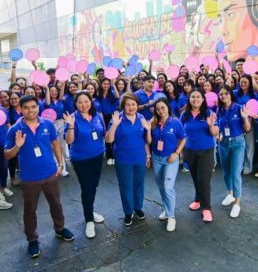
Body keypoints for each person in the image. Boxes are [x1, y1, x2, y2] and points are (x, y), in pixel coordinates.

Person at [4, 95, 74, 258]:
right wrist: (17, 146)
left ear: (38, 107)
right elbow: (7, 155)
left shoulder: (47, 124)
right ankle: (32, 239)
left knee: (56, 204)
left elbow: (55, 143)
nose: (30, 110)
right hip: (29, 178)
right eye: (26, 107)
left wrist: (60, 164)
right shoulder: (15, 129)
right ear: (21, 109)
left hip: (50, 173)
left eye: (33, 106)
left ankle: (60, 229)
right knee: (30, 210)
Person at [63, 92, 107, 239]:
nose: (84, 105)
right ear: (75, 104)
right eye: (80, 102)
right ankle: (89, 220)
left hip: (98, 156)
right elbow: (69, 141)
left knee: (93, 186)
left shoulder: (97, 116)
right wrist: (70, 126)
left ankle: (90, 210)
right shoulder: (73, 118)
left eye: (86, 101)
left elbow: (103, 133)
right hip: (81, 159)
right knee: (87, 188)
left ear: (91, 102)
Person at [105, 92, 152, 226]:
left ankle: (138, 207)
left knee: (139, 184)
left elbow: (146, 141)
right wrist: (114, 125)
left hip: (139, 157)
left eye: (133, 104)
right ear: (123, 106)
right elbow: (109, 140)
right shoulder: (117, 118)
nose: (131, 107)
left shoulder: (141, 117)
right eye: (128, 105)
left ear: (137, 105)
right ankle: (128, 211)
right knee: (126, 186)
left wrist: (148, 131)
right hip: (123, 158)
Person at [181, 89, 219, 222]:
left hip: (206, 151)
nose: (195, 99)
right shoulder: (184, 115)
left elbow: (215, 132)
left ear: (203, 99)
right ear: (189, 99)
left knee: (204, 180)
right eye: (193, 97)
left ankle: (206, 208)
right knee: (195, 178)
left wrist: (210, 126)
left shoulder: (209, 113)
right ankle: (197, 200)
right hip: (190, 151)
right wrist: (181, 153)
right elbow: (181, 135)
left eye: (198, 97)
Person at [150, 98, 186, 232]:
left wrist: (176, 153)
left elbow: (183, 138)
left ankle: (171, 216)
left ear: (168, 107)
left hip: (170, 159)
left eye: (163, 108)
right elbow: (148, 139)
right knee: (160, 185)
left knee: (168, 186)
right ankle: (166, 209)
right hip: (156, 158)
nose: (160, 111)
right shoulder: (153, 122)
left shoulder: (175, 122)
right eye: (158, 109)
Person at [216, 86, 251, 218]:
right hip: (223, 143)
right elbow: (218, 127)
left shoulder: (239, 107)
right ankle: (230, 194)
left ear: (230, 94)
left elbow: (247, 129)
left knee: (236, 173)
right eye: (221, 94)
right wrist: (218, 134)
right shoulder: (219, 110)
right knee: (226, 172)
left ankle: (237, 202)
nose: (224, 96)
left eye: (226, 94)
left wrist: (246, 118)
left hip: (237, 142)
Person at [234, 75, 256, 174]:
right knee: (238, 146)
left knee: (249, 145)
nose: (243, 84)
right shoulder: (235, 93)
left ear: (250, 83)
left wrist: (249, 122)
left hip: (249, 121)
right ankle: (239, 165)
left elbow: (254, 110)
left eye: (245, 82)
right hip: (237, 121)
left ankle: (248, 166)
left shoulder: (254, 95)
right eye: (241, 82)